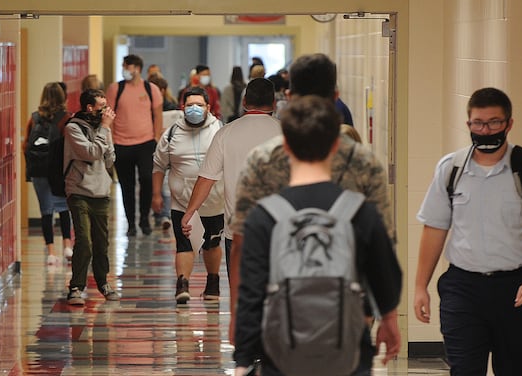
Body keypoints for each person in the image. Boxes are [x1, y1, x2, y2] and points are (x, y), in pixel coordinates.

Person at [228, 53, 393, 351]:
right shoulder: (364, 163)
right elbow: (381, 244)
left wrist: (239, 314)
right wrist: (388, 316)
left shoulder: (263, 160)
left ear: (289, 97)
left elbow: (241, 244)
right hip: (347, 310)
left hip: (280, 307)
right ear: (336, 96)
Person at [414, 87, 522, 375]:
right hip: (463, 287)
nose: (485, 130)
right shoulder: (451, 168)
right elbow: (434, 229)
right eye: (478, 123)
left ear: (509, 124)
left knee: (514, 369)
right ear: (468, 124)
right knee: (464, 369)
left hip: (516, 287)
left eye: (493, 122)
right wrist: (420, 287)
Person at [180, 77, 281, 280]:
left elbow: (206, 179)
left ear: (244, 102)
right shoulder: (287, 133)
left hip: (237, 230)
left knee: (240, 290)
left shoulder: (225, 133)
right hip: (277, 228)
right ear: (274, 103)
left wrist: (190, 211)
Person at [152, 86, 225, 304]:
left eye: (199, 105)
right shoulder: (172, 133)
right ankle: (182, 285)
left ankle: (213, 284)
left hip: (213, 202)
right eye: (190, 105)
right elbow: (158, 165)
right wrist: (156, 194)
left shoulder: (219, 130)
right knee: (184, 244)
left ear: (208, 107)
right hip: (181, 202)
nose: (194, 109)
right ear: (182, 107)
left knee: (211, 244)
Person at [65, 89, 120, 305]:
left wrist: (105, 131)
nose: (106, 111)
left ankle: (103, 282)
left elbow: (109, 159)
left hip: (101, 192)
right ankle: (76, 287)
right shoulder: (73, 128)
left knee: (101, 242)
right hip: (79, 191)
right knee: (84, 241)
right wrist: (105, 128)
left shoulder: (103, 128)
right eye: (102, 107)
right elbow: (91, 153)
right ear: (89, 108)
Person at [106, 54, 164, 237]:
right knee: (126, 185)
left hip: (146, 143)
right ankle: (131, 223)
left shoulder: (151, 89)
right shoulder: (116, 89)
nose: (124, 69)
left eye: (126, 66)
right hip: (121, 144)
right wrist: (111, 140)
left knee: (147, 179)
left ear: (137, 68)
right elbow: (109, 114)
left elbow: (158, 115)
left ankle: (144, 219)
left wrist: (156, 138)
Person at [23, 82, 74, 265]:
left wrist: (30, 168)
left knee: (46, 211)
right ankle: (67, 246)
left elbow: (26, 145)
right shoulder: (66, 118)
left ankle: (51, 253)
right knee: (64, 208)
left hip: (39, 170)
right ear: (62, 97)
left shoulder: (34, 118)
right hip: (58, 171)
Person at [150, 75, 181, 231]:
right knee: (155, 180)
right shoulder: (146, 108)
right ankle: (159, 213)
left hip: (168, 147)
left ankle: (164, 215)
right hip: (151, 146)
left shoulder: (171, 107)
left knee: (165, 182)